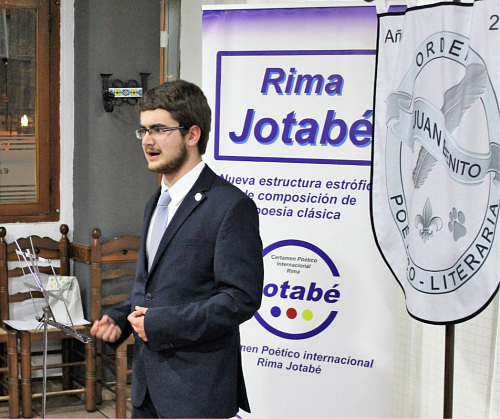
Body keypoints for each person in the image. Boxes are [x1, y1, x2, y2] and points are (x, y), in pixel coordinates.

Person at [90, 80, 264, 418]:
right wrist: (122, 318)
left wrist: (161, 325)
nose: (148, 141)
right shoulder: (156, 201)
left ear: (192, 135)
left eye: (158, 129)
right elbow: (157, 288)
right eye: (143, 131)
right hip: (147, 390)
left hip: (196, 393)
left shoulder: (231, 207)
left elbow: (240, 298)